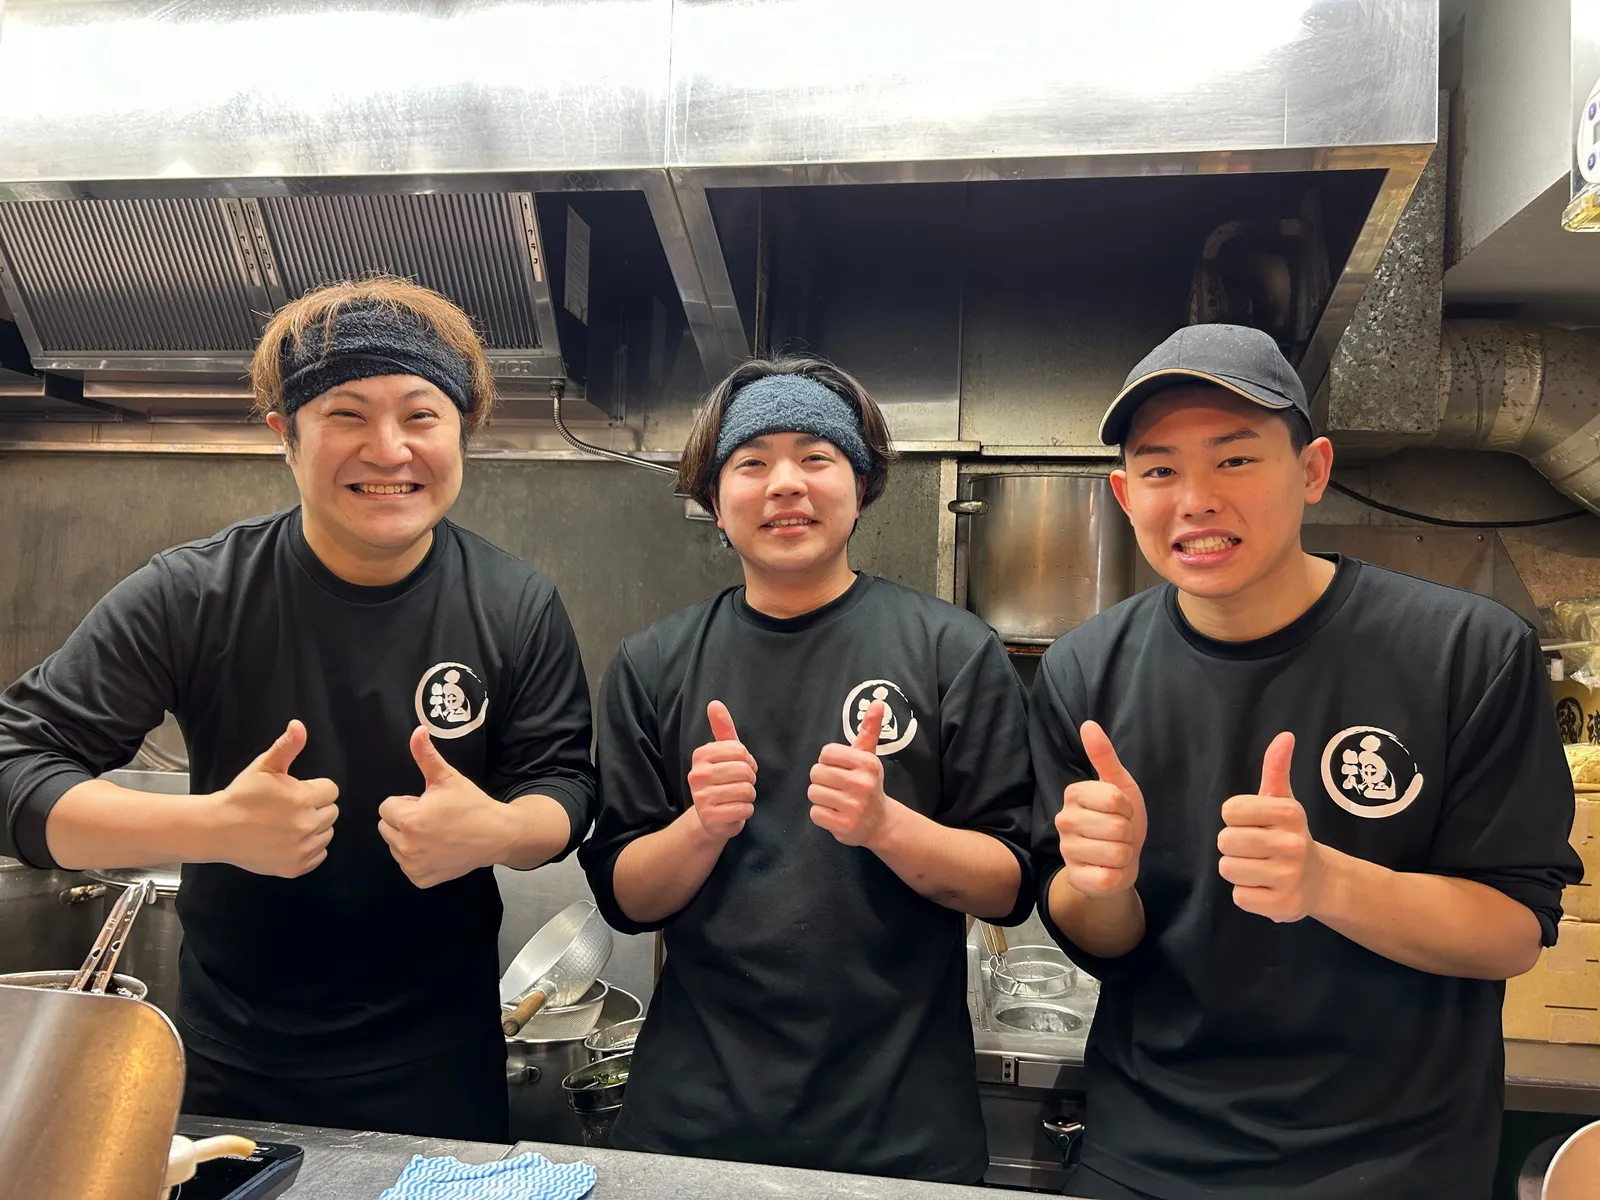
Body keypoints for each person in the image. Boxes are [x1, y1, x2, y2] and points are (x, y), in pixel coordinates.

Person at [0, 277, 596, 1142]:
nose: (389, 450)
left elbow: (564, 786)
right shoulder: (193, 595)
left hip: (440, 1069)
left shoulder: (514, 604)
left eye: (420, 415)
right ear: (287, 435)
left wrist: (501, 830)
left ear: (461, 428)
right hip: (229, 1064)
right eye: (346, 414)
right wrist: (210, 827)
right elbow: (14, 770)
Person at [1030, 323, 1585, 1200]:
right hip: (1146, 1157)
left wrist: (1327, 883)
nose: (1195, 500)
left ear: (1314, 470)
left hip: (1394, 1164)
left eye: (1237, 460)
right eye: (1160, 468)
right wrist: (1098, 886)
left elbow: (1514, 931)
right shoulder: (1083, 671)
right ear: (1124, 494)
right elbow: (1104, 944)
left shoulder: (1466, 652)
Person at [579, 356, 1033, 1183]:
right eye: (751, 463)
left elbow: (1008, 884)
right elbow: (626, 900)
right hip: (691, 1125)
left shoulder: (952, 652)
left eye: (816, 458)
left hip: (901, 1130)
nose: (785, 483)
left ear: (859, 486)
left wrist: (887, 827)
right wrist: (701, 827)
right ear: (715, 501)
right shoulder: (654, 663)